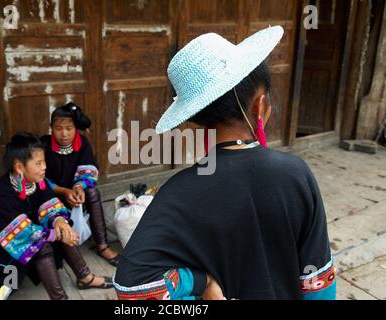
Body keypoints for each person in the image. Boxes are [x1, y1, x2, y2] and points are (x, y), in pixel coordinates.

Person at [113, 26, 337, 300]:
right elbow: (318, 284)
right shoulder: (296, 174)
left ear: (197, 116)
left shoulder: (177, 193)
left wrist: (201, 283)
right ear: (260, 106)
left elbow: (131, 290)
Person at [0, 133, 113, 300]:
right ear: (19, 167)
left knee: (59, 229)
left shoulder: (36, 182)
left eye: (44, 161)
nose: (44, 167)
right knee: (40, 246)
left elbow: (50, 205)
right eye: (38, 163)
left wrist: (60, 223)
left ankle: (84, 277)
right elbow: (22, 234)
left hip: (22, 241)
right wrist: (56, 234)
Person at [41, 103, 121, 267]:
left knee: (92, 192)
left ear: (75, 128)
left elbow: (88, 169)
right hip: (51, 193)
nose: (64, 134)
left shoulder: (82, 143)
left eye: (69, 128)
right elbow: (38, 178)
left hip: (76, 195)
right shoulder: (43, 145)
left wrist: (78, 187)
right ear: (51, 128)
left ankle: (102, 245)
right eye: (58, 128)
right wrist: (63, 191)